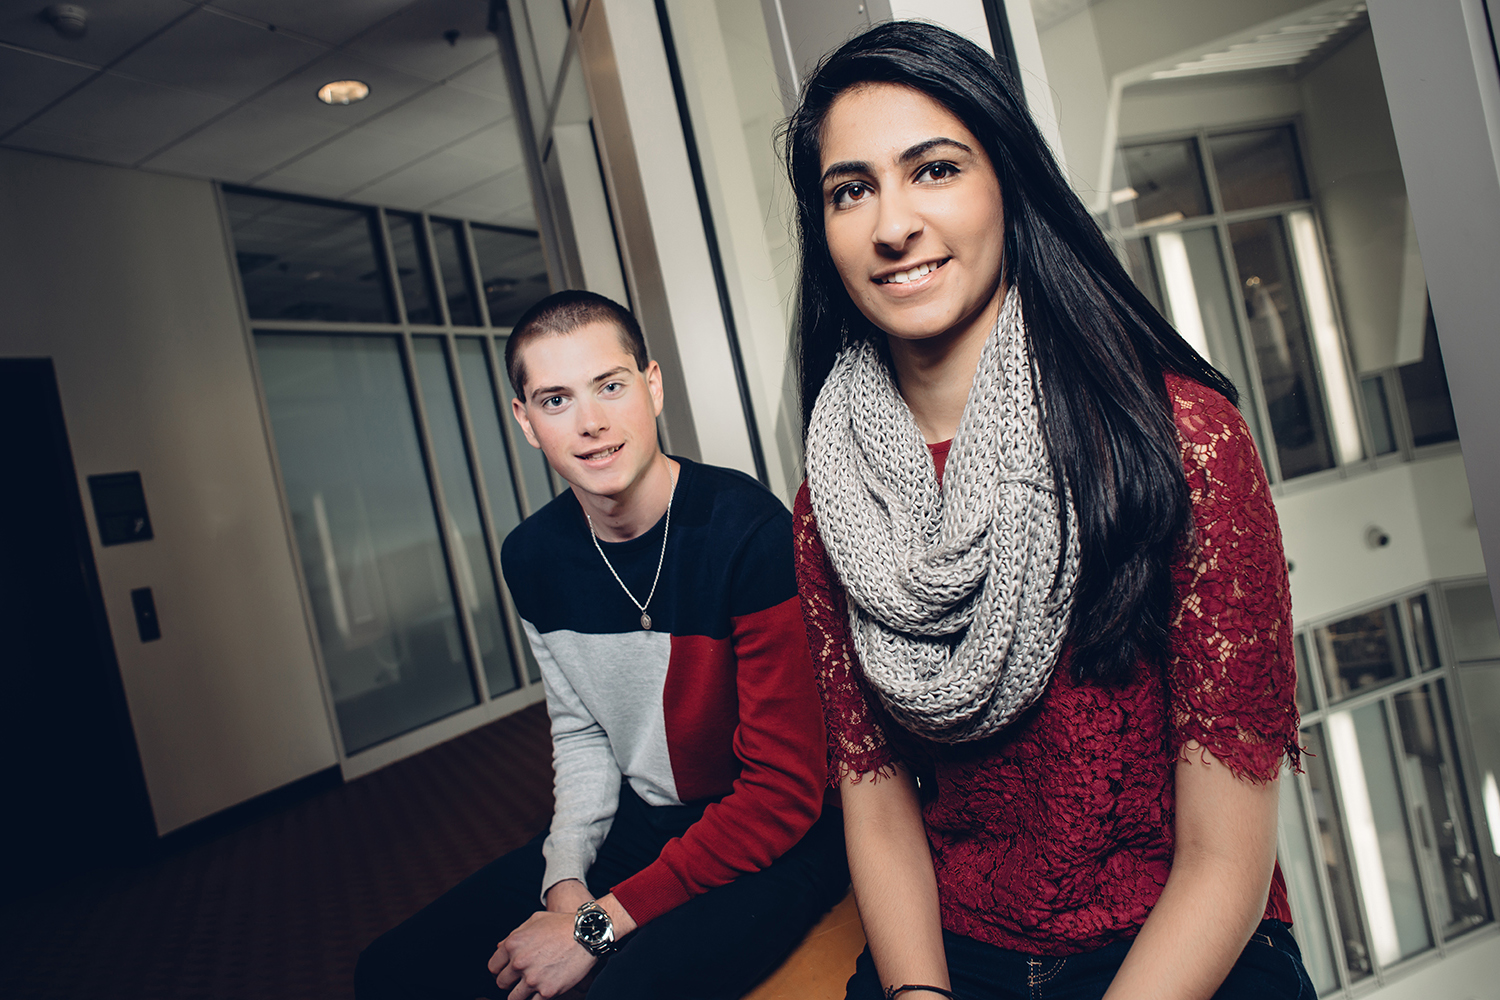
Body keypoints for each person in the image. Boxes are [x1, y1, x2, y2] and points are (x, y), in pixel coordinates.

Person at [784, 22, 1312, 1000]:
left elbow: (1226, 861)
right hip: (955, 956)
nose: (891, 224)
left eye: (934, 170)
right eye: (849, 189)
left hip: (1180, 949)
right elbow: (875, 790)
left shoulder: (1185, 442)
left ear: (1007, 184)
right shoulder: (832, 505)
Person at [355, 290, 848, 1000]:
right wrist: (565, 881)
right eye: (555, 401)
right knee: (393, 970)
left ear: (651, 386)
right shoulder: (532, 558)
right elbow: (583, 733)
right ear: (525, 422)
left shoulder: (746, 532)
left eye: (609, 386)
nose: (590, 423)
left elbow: (782, 791)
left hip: (780, 835)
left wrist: (593, 928)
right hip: (648, 820)